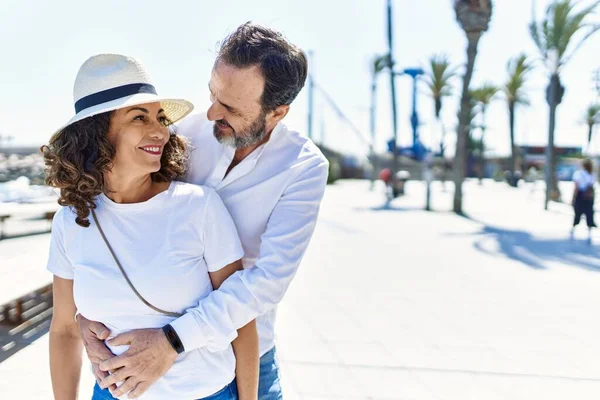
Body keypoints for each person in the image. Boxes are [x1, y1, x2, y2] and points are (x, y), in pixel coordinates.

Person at [78, 23, 329, 400]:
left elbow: (265, 283)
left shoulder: (303, 167)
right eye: (213, 94)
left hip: (245, 355)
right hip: (139, 357)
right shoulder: (180, 134)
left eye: (230, 108)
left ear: (276, 113)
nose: (211, 113)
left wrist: (172, 342)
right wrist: (82, 318)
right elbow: (114, 215)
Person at [43, 54, 259, 400]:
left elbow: (241, 320)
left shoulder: (198, 207)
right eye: (139, 117)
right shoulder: (72, 220)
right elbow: (66, 330)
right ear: (97, 132)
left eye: (159, 118)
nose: (160, 130)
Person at [570, 158, 596, 243]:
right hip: (589, 196)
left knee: (578, 211)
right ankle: (589, 230)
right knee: (589, 212)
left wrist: (573, 197)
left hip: (580, 195)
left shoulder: (579, 174)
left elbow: (576, 187)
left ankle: (573, 228)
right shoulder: (592, 174)